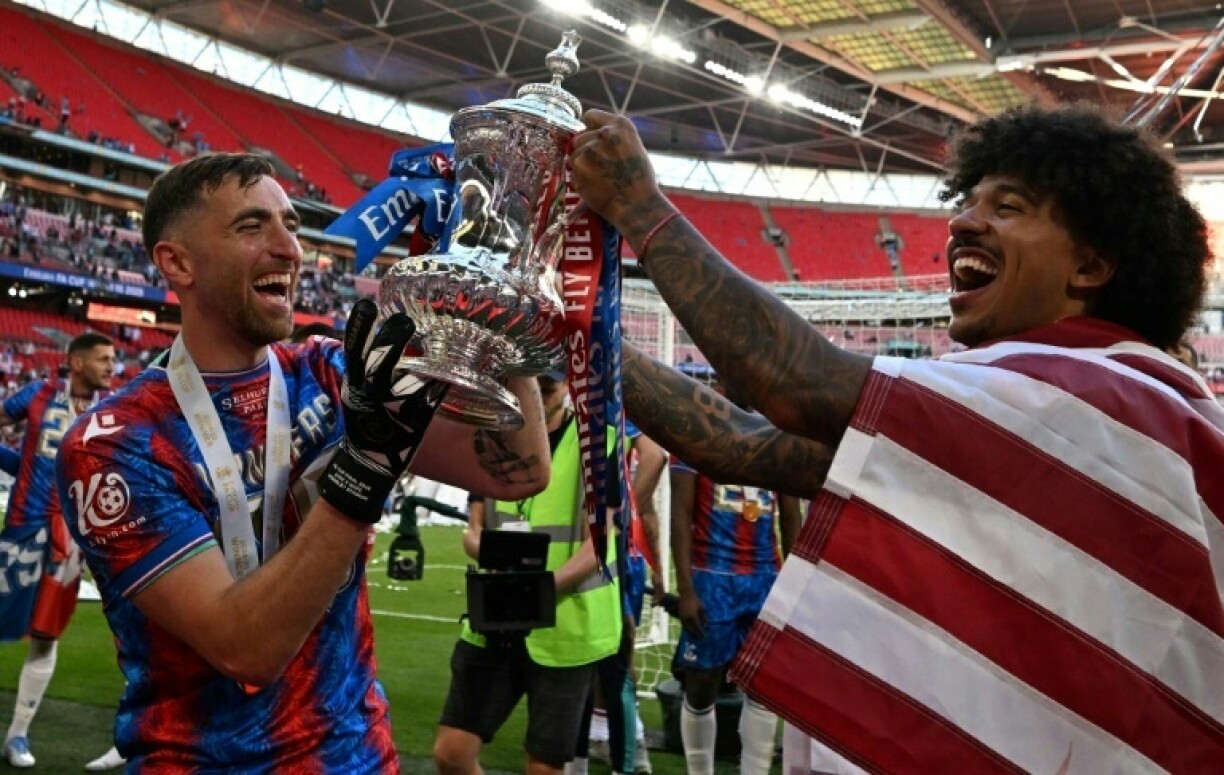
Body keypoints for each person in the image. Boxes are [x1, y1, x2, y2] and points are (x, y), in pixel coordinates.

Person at [570, 104, 1224, 768]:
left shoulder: (1097, 395)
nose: (963, 222)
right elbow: (739, 442)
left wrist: (639, 206)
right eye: (968, 202)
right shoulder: (1093, 409)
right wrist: (570, 328)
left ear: (1089, 266)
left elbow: (791, 381)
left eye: (1008, 207)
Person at [54, 153, 550, 772]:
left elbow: (518, 469)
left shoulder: (328, 372)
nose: (290, 249)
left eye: (291, 226)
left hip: (360, 757)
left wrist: (497, 299)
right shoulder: (114, 444)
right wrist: (362, 472)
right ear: (177, 262)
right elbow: (247, 651)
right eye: (252, 226)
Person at [434, 370, 623, 775]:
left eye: (548, 389)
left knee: (544, 768)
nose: (537, 397)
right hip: (495, 617)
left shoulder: (598, 444)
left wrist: (541, 588)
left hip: (566, 627)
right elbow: (473, 530)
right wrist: (489, 554)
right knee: (451, 753)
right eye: (529, 387)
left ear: (568, 386)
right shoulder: (488, 436)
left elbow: (599, 543)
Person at [666, 363, 800, 775]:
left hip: (765, 580)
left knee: (762, 685)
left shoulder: (776, 435)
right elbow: (680, 515)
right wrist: (686, 588)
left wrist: (795, 582)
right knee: (702, 682)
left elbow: (790, 514)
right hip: (712, 579)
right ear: (721, 380)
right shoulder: (695, 431)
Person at [0, 332, 114, 769]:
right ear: (78, 363)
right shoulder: (37, 393)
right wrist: (19, 464)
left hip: (70, 542)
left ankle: (17, 735)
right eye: (103, 359)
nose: (111, 367)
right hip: (22, 529)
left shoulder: (110, 412)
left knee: (46, 637)